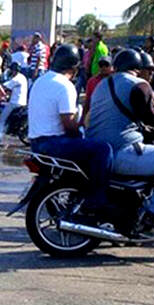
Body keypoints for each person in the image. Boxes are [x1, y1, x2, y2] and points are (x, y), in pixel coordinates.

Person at [86, 49, 154, 229]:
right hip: (121, 152)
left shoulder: (102, 84)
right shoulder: (139, 85)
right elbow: (150, 117)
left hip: (97, 150)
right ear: (137, 68)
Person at [28, 43, 112, 212]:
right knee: (103, 149)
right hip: (53, 143)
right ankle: (96, 200)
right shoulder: (65, 86)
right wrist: (81, 130)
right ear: (74, 67)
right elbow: (68, 124)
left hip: (35, 143)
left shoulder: (40, 80)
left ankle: (78, 193)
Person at [0, 62, 28, 146]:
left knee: (1, 120)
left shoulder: (16, 79)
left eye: (12, 70)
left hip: (15, 103)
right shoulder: (22, 77)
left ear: (14, 70)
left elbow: (3, 87)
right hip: (21, 102)